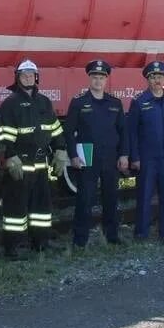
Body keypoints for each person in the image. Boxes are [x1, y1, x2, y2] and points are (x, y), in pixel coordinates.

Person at [0, 59, 67, 256]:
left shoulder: (43, 101)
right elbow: (3, 135)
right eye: (23, 75)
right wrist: (10, 156)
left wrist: (60, 149)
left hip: (40, 165)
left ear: (36, 77)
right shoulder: (10, 104)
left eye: (30, 75)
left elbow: (55, 129)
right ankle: (16, 247)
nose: (27, 78)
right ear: (17, 78)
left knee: (41, 208)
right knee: (16, 210)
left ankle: (41, 241)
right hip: (20, 166)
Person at [64, 59, 129, 248]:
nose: (98, 81)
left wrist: (124, 155)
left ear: (106, 79)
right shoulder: (78, 103)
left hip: (110, 154)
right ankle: (80, 239)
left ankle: (112, 236)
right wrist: (73, 156)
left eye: (101, 77)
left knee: (111, 197)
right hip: (86, 152)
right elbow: (69, 132)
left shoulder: (115, 103)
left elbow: (123, 131)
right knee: (85, 198)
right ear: (89, 79)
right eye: (95, 77)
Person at [126, 61, 164, 244]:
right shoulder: (139, 101)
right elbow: (132, 133)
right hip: (147, 158)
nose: (157, 80)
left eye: (160, 77)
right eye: (153, 77)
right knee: (145, 195)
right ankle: (141, 233)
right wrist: (134, 157)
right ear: (148, 80)